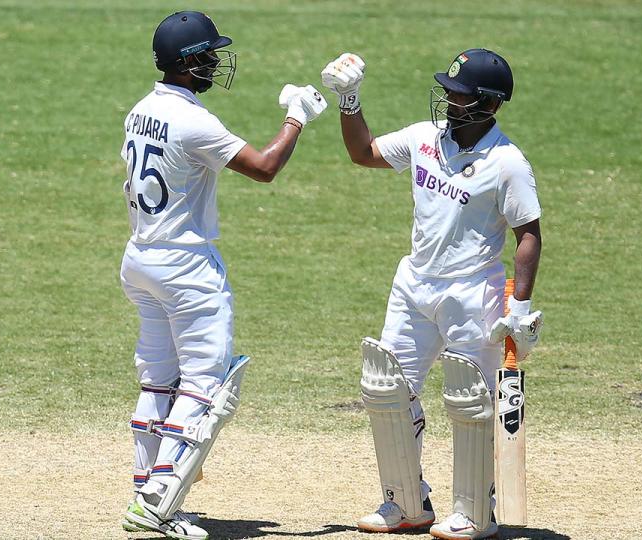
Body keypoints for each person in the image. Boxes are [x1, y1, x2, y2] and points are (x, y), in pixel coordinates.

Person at [119, 11, 327, 540]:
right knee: (208, 387)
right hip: (185, 268)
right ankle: (160, 502)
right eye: (208, 55)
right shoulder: (194, 121)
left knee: (158, 379)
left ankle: (146, 486)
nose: (215, 63)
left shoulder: (139, 111)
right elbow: (264, 168)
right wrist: (296, 117)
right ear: (188, 64)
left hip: (140, 259)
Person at [320, 49, 543, 539]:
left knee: (470, 401)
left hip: (472, 292)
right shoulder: (425, 138)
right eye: (448, 89)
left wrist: (521, 307)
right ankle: (406, 502)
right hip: (413, 283)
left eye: (460, 94)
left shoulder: (507, 162)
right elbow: (364, 154)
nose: (448, 98)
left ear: (487, 104)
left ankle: (474, 511)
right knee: (387, 389)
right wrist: (350, 101)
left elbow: (529, 232)